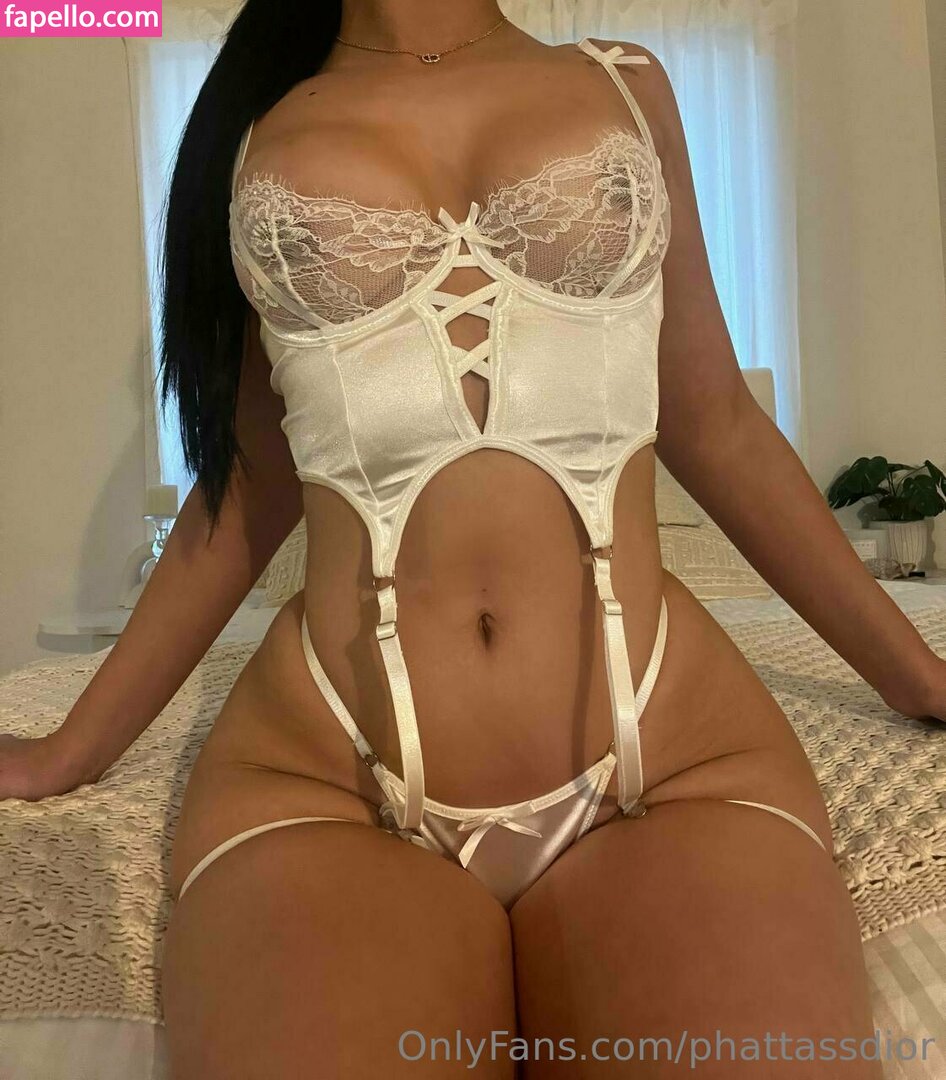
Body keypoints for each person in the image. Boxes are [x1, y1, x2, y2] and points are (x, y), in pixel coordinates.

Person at [3, 1, 944, 1076]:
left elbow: (715, 422)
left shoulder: (626, 85)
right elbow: (248, 488)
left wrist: (916, 675)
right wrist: (75, 748)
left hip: (668, 759)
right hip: (327, 782)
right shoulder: (255, 127)